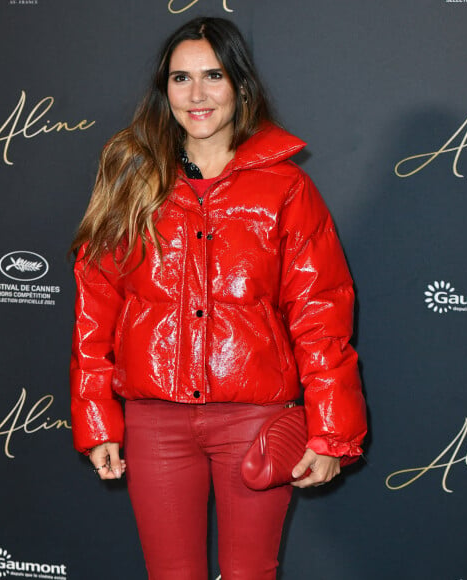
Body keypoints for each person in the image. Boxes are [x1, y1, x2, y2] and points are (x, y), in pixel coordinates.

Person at [69, 16, 366, 580]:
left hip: (253, 421)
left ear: (241, 87)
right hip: (154, 422)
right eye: (181, 78)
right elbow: (95, 307)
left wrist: (332, 431)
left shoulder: (286, 189)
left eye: (214, 75)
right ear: (165, 91)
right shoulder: (131, 180)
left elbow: (321, 311)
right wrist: (97, 417)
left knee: (249, 573)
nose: (197, 94)